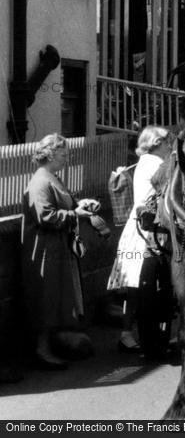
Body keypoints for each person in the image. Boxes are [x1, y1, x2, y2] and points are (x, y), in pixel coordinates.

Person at [22, 134, 96, 370]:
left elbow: (65, 206)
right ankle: (42, 350)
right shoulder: (40, 182)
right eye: (63, 154)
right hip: (44, 249)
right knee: (47, 297)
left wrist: (80, 205)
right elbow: (45, 216)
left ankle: (52, 345)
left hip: (56, 248)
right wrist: (76, 215)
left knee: (57, 297)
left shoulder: (52, 178)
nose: (67, 158)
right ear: (50, 155)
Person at [107, 125, 172, 358]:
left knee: (135, 287)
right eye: (167, 142)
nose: (170, 146)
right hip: (149, 229)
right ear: (156, 144)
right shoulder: (156, 164)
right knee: (143, 286)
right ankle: (134, 333)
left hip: (137, 227)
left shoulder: (144, 162)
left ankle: (129, 333)